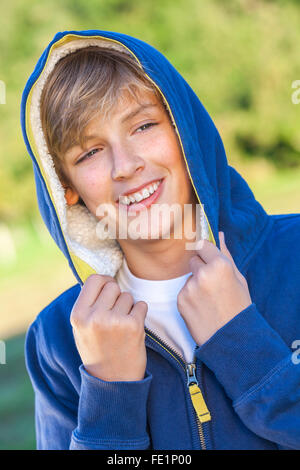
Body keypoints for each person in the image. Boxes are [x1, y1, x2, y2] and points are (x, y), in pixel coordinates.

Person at [21, 29, 300, 450]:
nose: (126, 165)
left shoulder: (293, 257)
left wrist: (242, 346)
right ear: (67, 187)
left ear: (183, 129)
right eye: (89, 152)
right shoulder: (58, 338)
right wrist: (109, 396)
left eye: (144, 126)